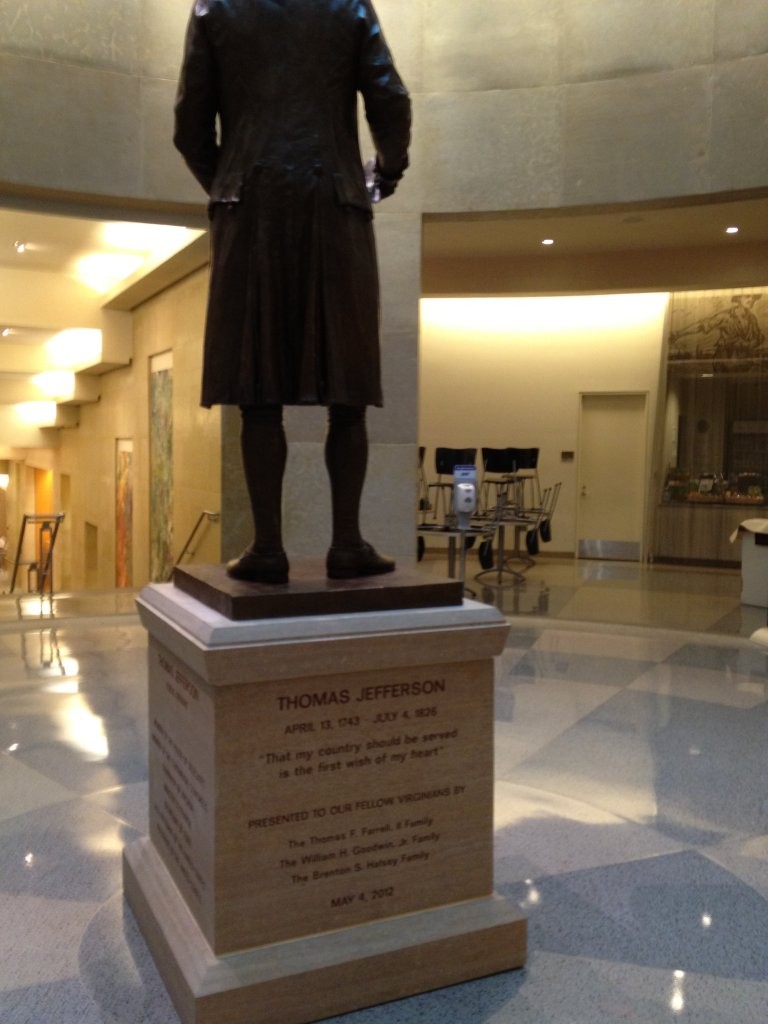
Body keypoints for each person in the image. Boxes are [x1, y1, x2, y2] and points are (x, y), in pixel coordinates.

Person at [173, 0, 411, 585]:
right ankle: (347, 542)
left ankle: (268, 548)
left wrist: (233, 181)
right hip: (335, 204)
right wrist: (387, 168)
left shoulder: (214, 8)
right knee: (347, 392)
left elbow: (188, 127)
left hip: (250, 210)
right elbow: (391, 100)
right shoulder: (347, 5)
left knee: (259, 390)